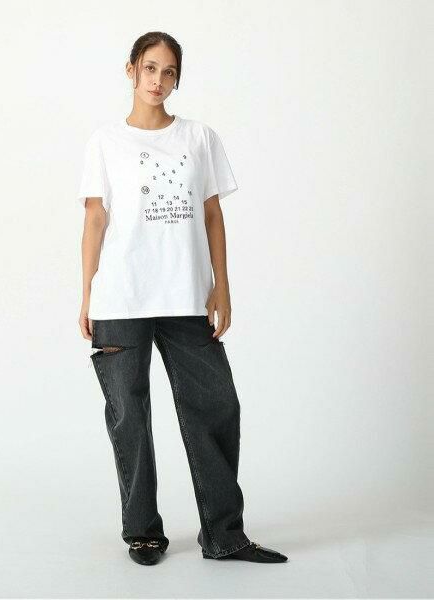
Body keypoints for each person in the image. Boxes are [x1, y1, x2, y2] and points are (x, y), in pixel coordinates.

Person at [77, 31, 288, 566]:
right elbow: (95, 219)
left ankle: (224, 535)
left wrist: (223, 284)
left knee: (216, 405)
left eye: (169, 72)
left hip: (187, 294)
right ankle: (143, 532)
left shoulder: (198, 137)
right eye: (150, 68)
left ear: (177, 79)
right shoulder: (104, 141)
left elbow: (213, 214)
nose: (158, 80)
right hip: (121, 296)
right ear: (130, 69)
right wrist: (86, 294)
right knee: (129, 416)